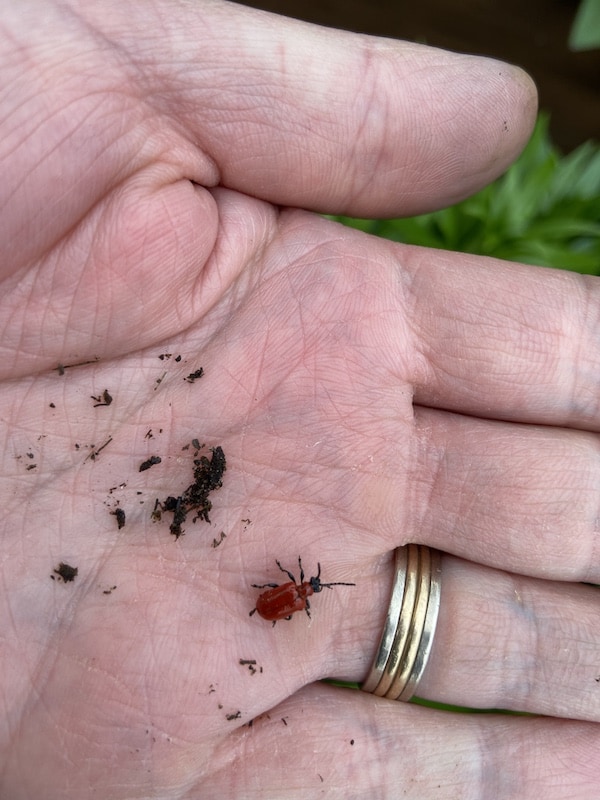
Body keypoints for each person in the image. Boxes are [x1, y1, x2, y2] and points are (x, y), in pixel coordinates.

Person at [1, 1, 598, 797]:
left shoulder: (289, 590)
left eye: (307, 586)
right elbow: (280, 594)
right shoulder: (290, 590)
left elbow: (279, 594)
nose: (306, 586)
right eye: (309, 585)